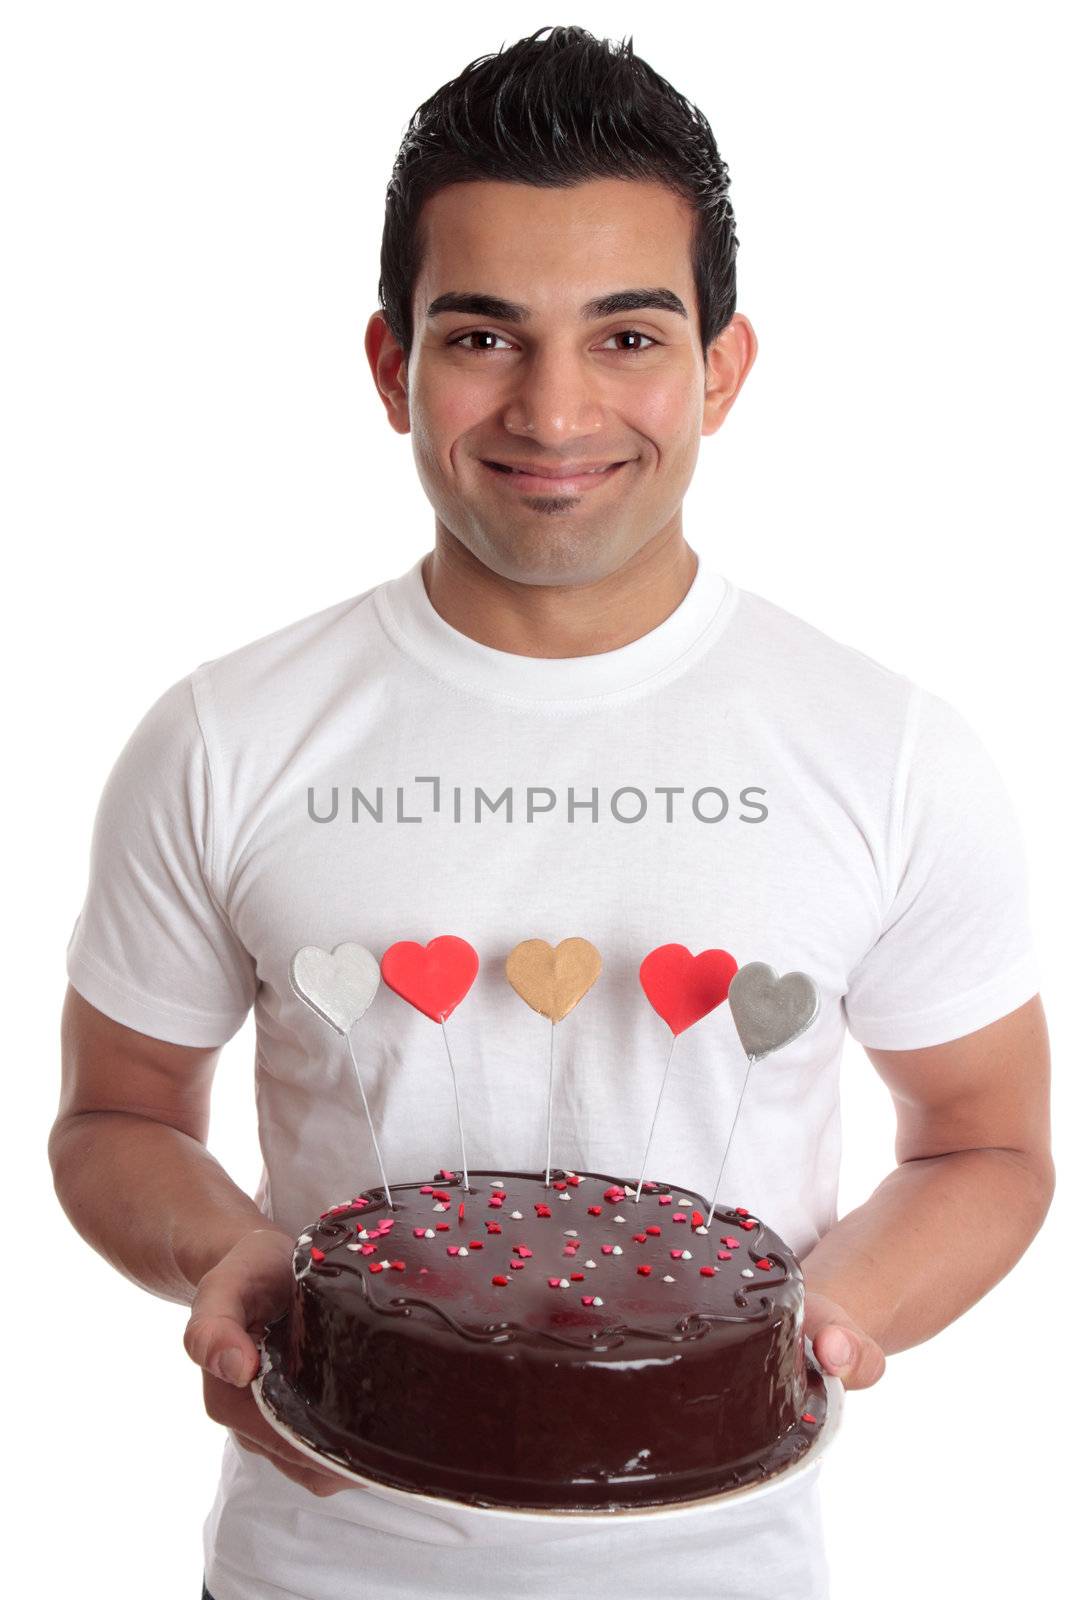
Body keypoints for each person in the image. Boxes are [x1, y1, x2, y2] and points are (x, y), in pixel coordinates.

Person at [51, 24, 1053, 1600]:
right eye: (484, 335)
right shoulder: (222, 734)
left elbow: (990, 1139)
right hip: (318, 1567)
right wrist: (223, 1254)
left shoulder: (894, 748)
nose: (556, 409)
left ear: (725, 366)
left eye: (630, 336)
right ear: (394, 366)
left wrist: (837, 1312)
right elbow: (114, 1115)